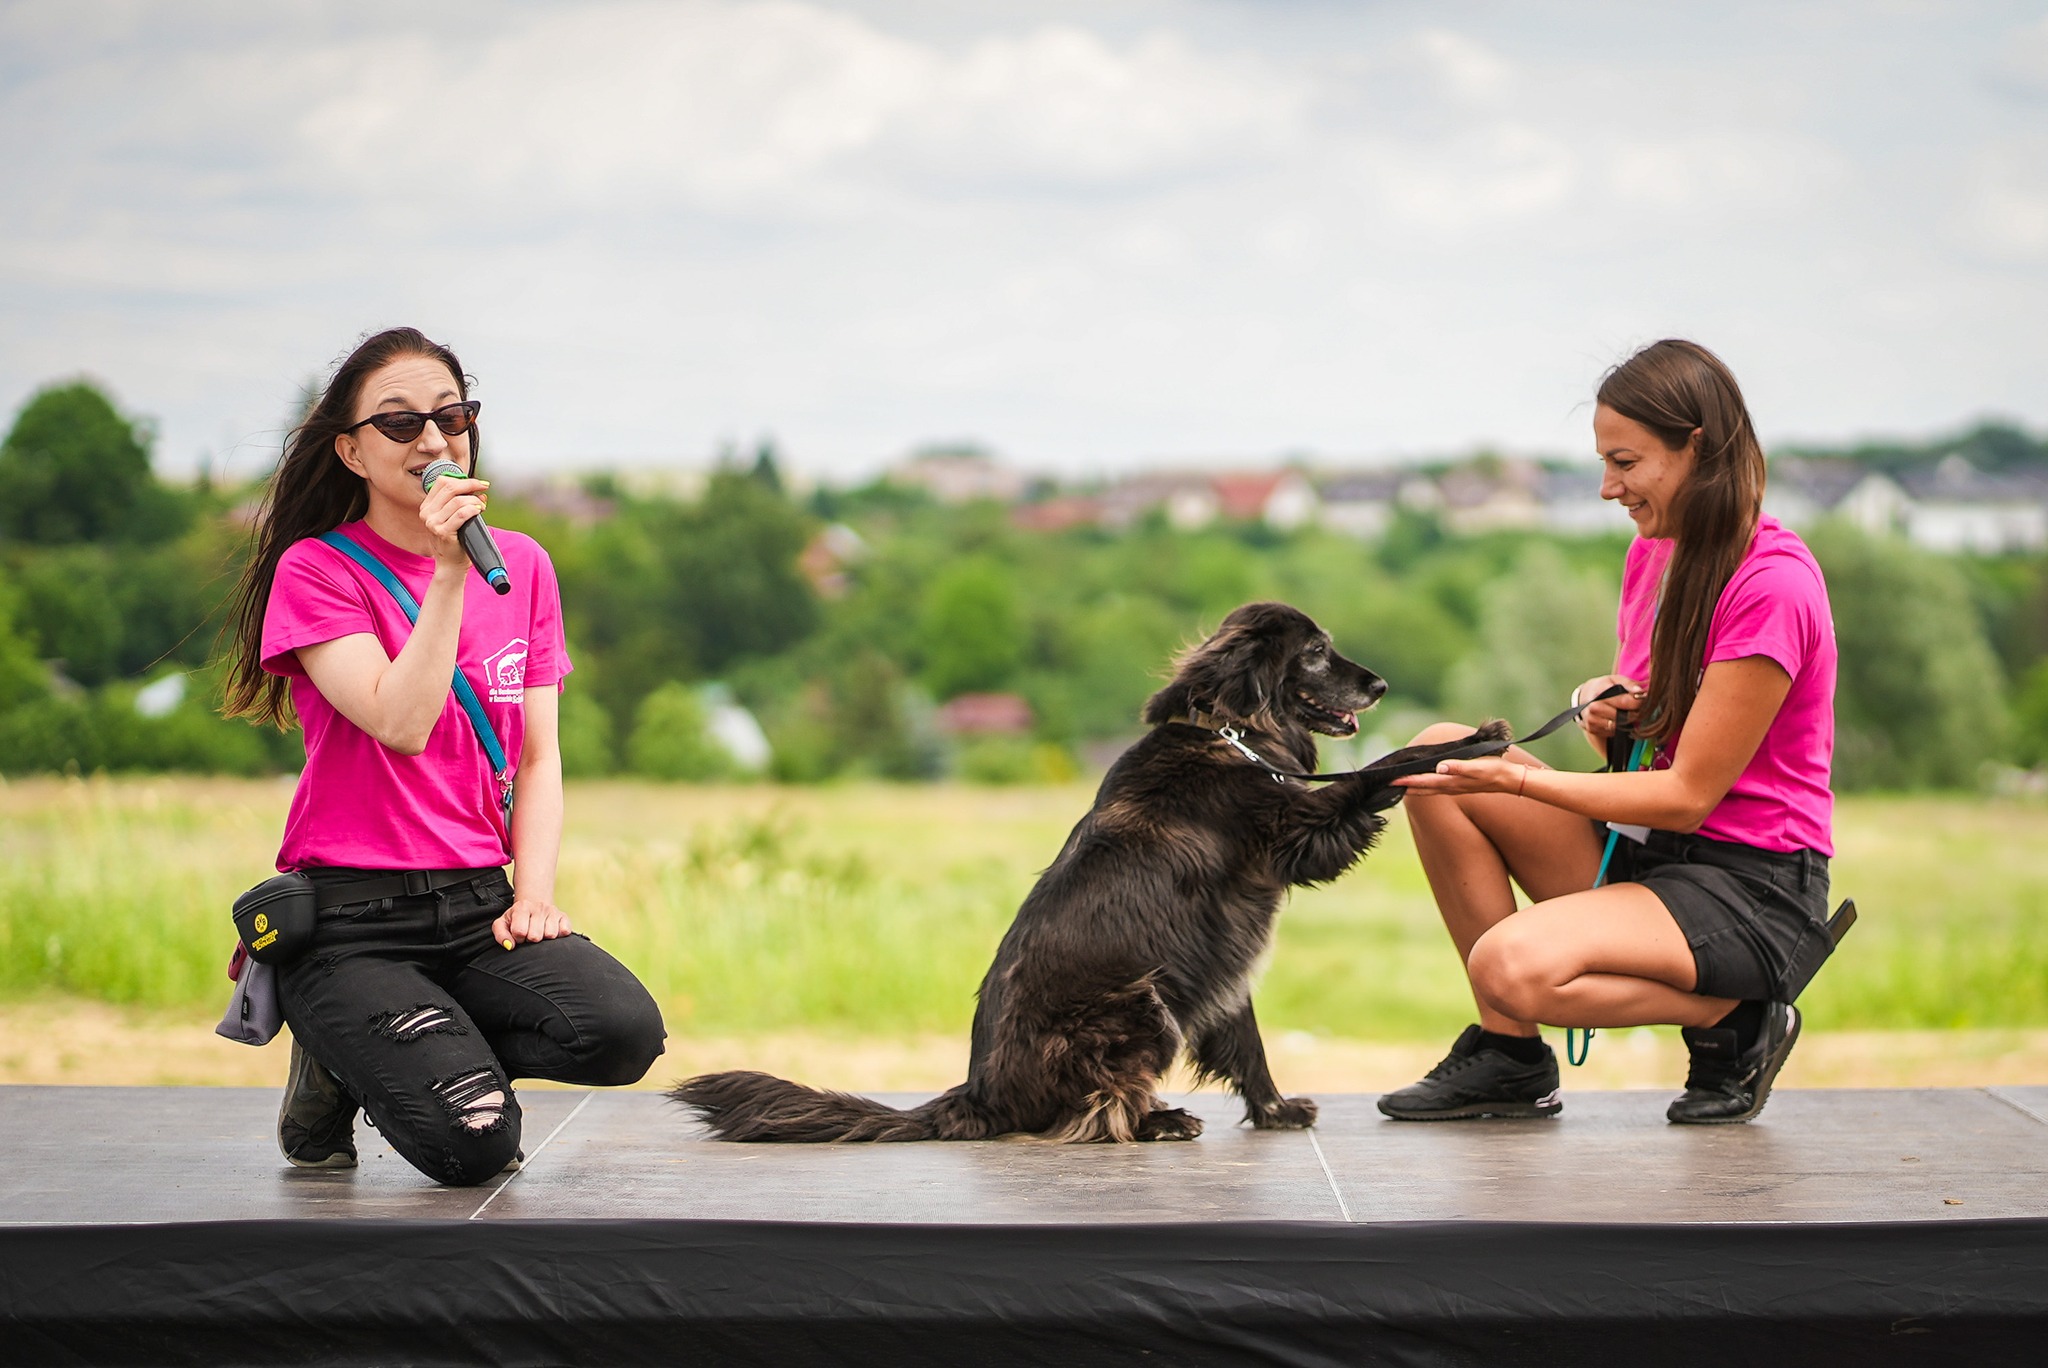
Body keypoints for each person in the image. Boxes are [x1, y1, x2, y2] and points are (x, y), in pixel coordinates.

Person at [222, 327, 665, 1185]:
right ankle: (340, 1043)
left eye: (451, 416)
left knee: (621, 1032)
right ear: (350, 450)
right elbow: (402, 720)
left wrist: (533, 896)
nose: (432, 440)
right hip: (352, 920)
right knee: (477, 1146)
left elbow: (538, 759)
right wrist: (447, 569)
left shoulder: (527, 567)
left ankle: (374, 1047)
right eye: (399, 424)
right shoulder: (318, 572)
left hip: (475, 903)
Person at [1380, 339, 1837, 1126]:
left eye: (1625, 462)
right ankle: (1508, 1059)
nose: (1606, 487)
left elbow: (1690, 793)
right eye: (1603, 462)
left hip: (1750, 883)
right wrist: (1602, 706)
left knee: (1510, 964)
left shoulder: (1774, 585)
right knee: (1442, 759)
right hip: (1653, 851)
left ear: (1696, 446)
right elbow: (1648, 747)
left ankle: (1734, 1017)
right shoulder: (1655, 554)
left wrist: (1520, 778)